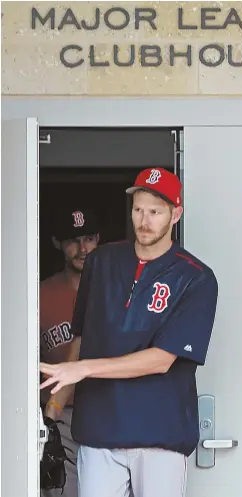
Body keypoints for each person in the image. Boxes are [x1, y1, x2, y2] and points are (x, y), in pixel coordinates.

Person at [40, 168, 218, 497]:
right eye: (138, 209)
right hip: (98, 433)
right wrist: (50, 414)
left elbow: (162, 360)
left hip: (158, 435)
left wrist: (86, 369)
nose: (144, 220)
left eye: (155, 211)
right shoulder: (102, 261)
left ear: (175, 214)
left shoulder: (196, 277)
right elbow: (80, 339)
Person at [40, 207, 100, 497]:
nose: (82, 248)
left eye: (89, 238)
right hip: (60, 416)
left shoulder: (114, 290)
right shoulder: (39, 294)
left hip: (106, 411)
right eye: (73, 240)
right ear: (57, 243)